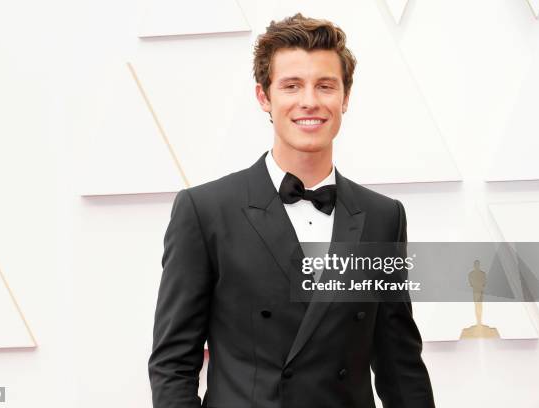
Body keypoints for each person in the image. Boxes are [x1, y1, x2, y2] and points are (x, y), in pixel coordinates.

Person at [149, 13, 435, 408]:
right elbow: (173, 365)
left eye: (325, 86)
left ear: (345, 97)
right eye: (291, 86)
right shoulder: (205, 210)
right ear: (264, 96)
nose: (309, 102)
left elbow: (400, 365)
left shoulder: (383, 217)